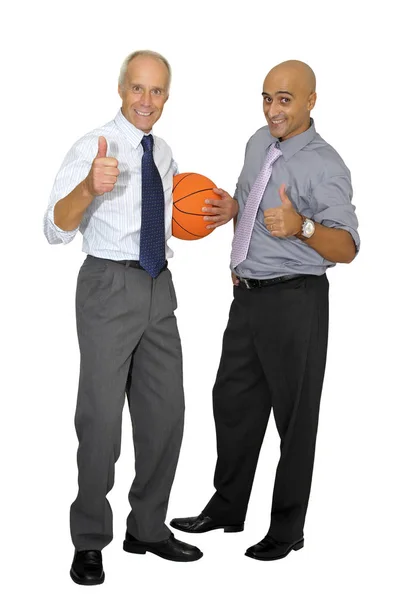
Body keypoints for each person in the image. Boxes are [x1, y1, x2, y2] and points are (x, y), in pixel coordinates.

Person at [43, 50, 236, 585]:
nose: (146, 101)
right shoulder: (94, 146)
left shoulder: (165, 151)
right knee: (101, 423)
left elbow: (176, 216)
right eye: (137, 89)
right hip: (107, 286)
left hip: (159, 286)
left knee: (165, 416)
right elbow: (53, 227)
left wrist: (224, 212)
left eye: (157, 92)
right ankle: (88, 540)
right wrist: (88, 187)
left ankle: (146, 528)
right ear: (121, 89)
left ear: (166, 97)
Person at [170, 60, 360, 561]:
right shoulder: (259, 141)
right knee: (231, 403)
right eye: (267, 97)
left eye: (285, 99)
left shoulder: (326, 165)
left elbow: (348, 247)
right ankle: (228, 508)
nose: (273, 109)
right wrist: (233, 212)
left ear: (311, 102)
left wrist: (303, 227)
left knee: (294, 419)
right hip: (247, 296)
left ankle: (286, 529)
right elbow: (244, 197)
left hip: (296, 301)